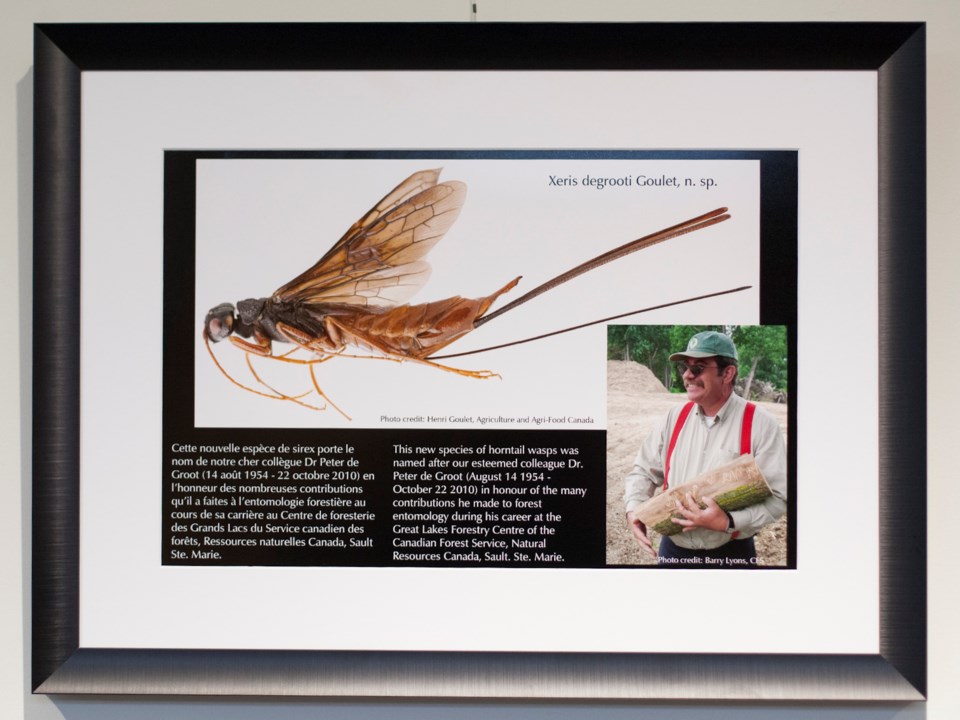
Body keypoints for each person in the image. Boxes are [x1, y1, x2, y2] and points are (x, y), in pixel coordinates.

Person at [623, 330, 787, 566]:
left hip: (732, 553)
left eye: (698, 368)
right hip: (673, 550)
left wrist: (727, 522)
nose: (688, 375)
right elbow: (643, 471)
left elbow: (779, 499)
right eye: (685, 368)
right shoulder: (674, 417)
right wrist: (634, 509)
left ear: (728, 373)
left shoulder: (761, 424)